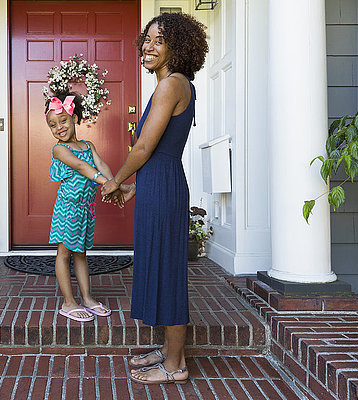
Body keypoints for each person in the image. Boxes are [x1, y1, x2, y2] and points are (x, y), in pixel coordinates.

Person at [101, 13, 208, 384]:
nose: (148, 46)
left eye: (158, 41)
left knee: (169, 273)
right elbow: (158, 150)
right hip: (159, 184)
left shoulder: (171, 85)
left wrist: (116, 180)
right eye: (146, 40)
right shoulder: (173, 85)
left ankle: (176, 364)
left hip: (163, 184)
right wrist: (137, 187)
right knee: (162, 267)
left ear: (176, 47)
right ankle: (168, 350)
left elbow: (145, 146)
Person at [47, 91, 121, 322]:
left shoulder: (88, 145)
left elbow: (101, 164)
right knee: (64, 253)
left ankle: (87, 298)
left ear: (75, 119)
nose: (58, 127)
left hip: (85, 209)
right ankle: (68, 303)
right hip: (67, 209)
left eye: (63, 120)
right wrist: (106, 183)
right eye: (52, 124)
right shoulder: (59, 149)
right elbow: (81, 167)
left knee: (81, 253)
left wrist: (115, 186)